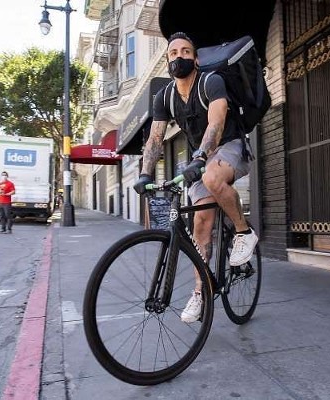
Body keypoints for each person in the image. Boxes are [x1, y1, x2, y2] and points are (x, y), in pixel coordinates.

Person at [133, 32, 258, 323]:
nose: (180, 56)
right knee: (201, 225)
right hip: (199, 158)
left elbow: (217, 123)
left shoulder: (210, 82)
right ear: (167, 61)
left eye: (186, 51)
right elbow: (155, 139)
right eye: (174, 53)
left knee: (214, 178)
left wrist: (200, 157)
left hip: (229, 146)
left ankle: (244, 232)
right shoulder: (164, 96)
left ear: (196, 59)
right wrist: (144, 174)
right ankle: (202, 291)